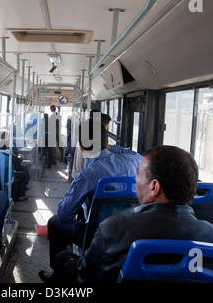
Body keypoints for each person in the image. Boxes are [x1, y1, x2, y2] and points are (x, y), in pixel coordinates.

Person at [40, 145, 213, 283]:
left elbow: (86, 278)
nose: (135, 180)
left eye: (139, 175)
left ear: (154, 186)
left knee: (64, 259)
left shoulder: (114, 229)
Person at [41, 118, 143, 275]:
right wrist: (112, 147)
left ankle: (58, 274)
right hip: (134, 234)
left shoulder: (87, 175)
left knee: (55, 223)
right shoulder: (135, 160)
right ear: (107, 140)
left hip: (99, 238)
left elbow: (64, 215)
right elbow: (130, 152)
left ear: (81, 147)